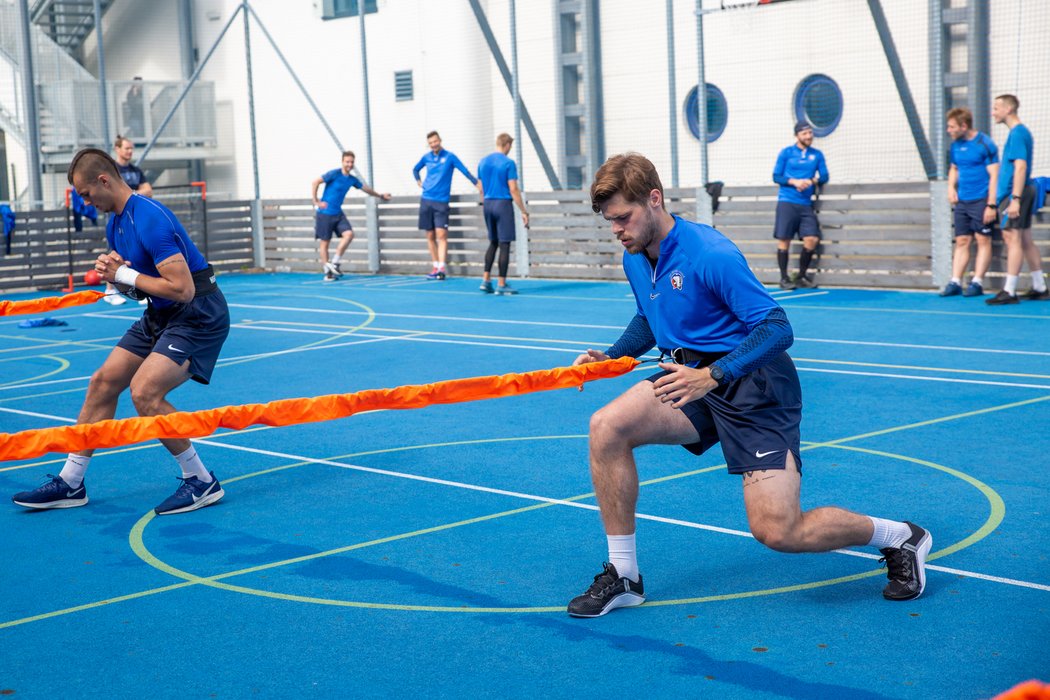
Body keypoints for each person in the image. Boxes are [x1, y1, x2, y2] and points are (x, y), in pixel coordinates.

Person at [566, 152, 931, 618]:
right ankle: (625, 576)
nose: (617, 229)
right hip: (690, 377)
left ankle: (900, 537)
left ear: (654, 199)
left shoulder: (710, 254)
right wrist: (613, 356)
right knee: (607, 427)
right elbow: (649, 316)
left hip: (754, 385)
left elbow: (778, 328)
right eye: (610, 221)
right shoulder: (636, 255)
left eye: (623, 217)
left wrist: (713, 375)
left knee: (779, 531)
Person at [12, 148, 230, 516]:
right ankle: (71, 481)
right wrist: (117, 278)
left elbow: (182, 289)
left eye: (85, 194)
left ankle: (201, 480)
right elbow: (141, 290)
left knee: (145, 392)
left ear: (104, 180)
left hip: (197, 314)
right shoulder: (115, 222)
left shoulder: (150, 218)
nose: (84, 202)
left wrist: (125, 276)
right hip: (160, 314)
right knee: (102, 382)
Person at [986, 94, 1048, 305]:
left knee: (1012, 238)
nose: (993, 112)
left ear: (1008, 110)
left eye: (996, 108)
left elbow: (1020, 167)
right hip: (1017, 192)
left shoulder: (1018, 134)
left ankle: (1009, 290)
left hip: (1016, 192)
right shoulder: (1018, 133)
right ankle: (1040, 286)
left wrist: (1015, 199)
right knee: (1024, 239)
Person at [941, 108, 999, 298]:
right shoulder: (955, 146)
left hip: (981, 199)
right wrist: (951, 187)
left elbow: (994, 175)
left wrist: (991, 204)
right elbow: (954, 168)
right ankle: (956, 281)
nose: (948, 130)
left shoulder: (985, 144)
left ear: (964, 126)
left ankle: (977, 282)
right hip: (962, 202)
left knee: (983, 240)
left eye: (952, 127)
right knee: (962, 240)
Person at [311, 151, 391, 281]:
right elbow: (315, 182)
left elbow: (365, 189)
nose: (349, 164)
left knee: (349, 234)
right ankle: (328, 272)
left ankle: (335, 262)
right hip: (324, 214)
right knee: (325, 243)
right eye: (347, 162)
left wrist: (380, 195)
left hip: (338, 213)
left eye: (352, 162)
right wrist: (316, 201)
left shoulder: (352, 180)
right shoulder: (333, 174)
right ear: (342, 162)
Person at [412, 131, 482, 280]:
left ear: (440, 141)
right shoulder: (426, 157)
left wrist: (477, 183)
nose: (433, 145)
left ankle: (442, 268)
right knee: (430, 235)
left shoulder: (450, 157)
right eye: (431, 143)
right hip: (426, 200)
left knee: (442, 235)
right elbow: (415, 169)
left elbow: (464, 170)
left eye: (435, 141)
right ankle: (435, 266)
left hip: (441, 202)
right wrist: (418, 181)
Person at [772, 122, 828, 290]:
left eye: (810, 133)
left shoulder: (817, 155)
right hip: (787, 201)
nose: (809, 136)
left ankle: (801, 276)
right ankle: (784, 278)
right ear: (797, 135)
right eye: (805, 134)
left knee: (812, 239)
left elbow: (824, 176)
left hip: (805, 204)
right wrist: (794, 181)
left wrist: (810, 181)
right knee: (784, 240)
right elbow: (776, 176)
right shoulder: (786, 153)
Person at [104, 135, 154, 305]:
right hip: (117, 218)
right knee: (115, 252)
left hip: (135, 217)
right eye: (126, 148)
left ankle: (143, 289)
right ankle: (110, 291)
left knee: (138, 251)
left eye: (131, 148)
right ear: (117, 149)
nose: (130, 151)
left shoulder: (135, 170)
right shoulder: (112, 170)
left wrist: (130, 195)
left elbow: (148, 190)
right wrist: (134, 194)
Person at [477, 133, 529, 295]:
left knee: (493, 242)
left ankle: (486, 280)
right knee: (504, 243)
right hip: (502, 204)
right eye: (510, 146)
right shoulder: (508, 163)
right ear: (506, 145)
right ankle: (501, 283)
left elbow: (480, 187)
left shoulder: (483, 161)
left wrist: (486, 200)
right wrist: (523, 210)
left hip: (488, 203)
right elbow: (513, 188)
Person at [123, 77, 145, 141]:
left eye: (140, 83)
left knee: (143, 134)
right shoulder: (130, 93)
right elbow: (131, 105)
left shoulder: (143, 93)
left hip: (143, 117)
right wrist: (134, 95)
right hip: (134, 117)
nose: (138, 84)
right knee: (137, 133)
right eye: (137, 83)